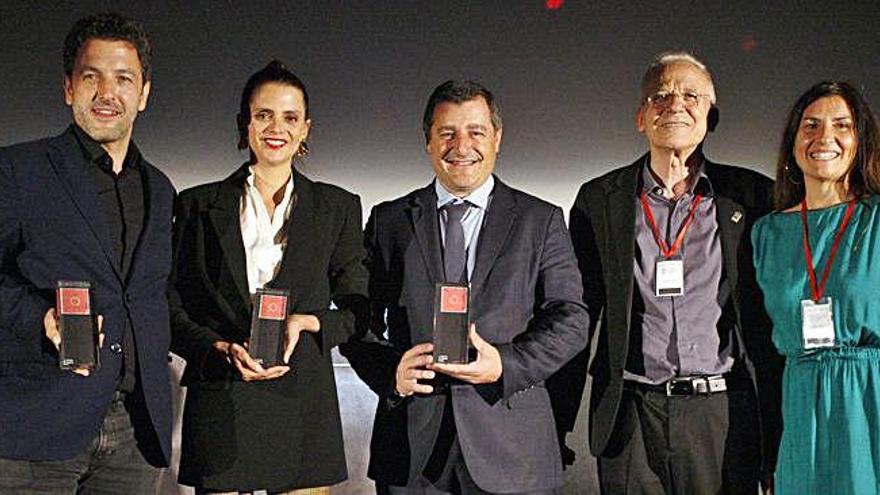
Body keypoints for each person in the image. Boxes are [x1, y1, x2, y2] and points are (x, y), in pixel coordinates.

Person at [341, 80, 588, 494]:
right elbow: (355, 316)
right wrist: (391, 374)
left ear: (497, 138)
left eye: (475, 132)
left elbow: (571, 319)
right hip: (412, 453)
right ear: (428, 142)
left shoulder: (539, 220)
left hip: (513, 450)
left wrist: (505, 365)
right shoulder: (390, 221)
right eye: (447, 133)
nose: (461, 146)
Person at [567, 51, 783, 494]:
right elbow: (578, 314)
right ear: (641, 117)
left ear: (710, 115)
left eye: (691, 95)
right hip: (630, 414)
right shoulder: (599, 199)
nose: (675, 104)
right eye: (660, 95)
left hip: (722, 413)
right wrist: (556, 419)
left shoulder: (754, 197)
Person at [169, 60, 368, 494]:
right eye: (264, 115)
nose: (277, 128)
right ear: (244, 124)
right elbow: (172, 309)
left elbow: (357, 310)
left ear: (306, 129)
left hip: (301, 409)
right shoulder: (196, 206)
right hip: (222, 402)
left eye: (290, 117)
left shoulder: (337, 208)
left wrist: (309, 321)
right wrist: (216, 347)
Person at [0, 12, 175, 493]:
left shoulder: (160, 190)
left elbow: (154, 297)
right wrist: (38, 318)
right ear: (68, 87)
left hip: (135, 433)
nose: (106, 92)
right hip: (35, 427)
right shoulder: (18, 170)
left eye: (123, 78)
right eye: (91, 76)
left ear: (142, 94)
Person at [752, 81, 880, 494]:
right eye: (811, 126)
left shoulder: (876, 221)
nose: (825, 138)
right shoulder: (767, 234)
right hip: (800, 404)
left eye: (842, 125)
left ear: (860, 141)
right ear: (793, 142)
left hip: (870, 399)